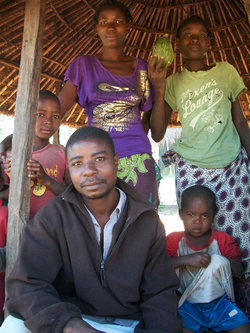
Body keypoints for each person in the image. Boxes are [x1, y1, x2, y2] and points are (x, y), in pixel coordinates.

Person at [0, 126, 182, 333]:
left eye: (99, 159)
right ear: (68, 169)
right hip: (70, 319)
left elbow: (159, 293)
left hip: (127, 324)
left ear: (115, 161)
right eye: (78, 163)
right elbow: (26, 284)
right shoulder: (53, 216)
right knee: (13, 327)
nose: (89, 170)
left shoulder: (146, 219)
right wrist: (70, 325)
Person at [148, 15, 250, 316]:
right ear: (178, 44)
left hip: (231, 166)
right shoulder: (174, 82)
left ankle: (238, 310)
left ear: (209, 41)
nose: (194, 39)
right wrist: (158, 85)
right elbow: (156, 132)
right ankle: (201, 307)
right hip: (191, 166)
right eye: (187, 35)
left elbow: (240, 121)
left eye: (201, 34)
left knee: (239, 242)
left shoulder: (226, 72)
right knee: (199, 236)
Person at [57, 0, 162, 207]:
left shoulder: (141, 68)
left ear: (127, 27)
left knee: (142, 222)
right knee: (98, 227)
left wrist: (160, 87)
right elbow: (56, 112)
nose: (111, 27)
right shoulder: (83, 65)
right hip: (95, 160)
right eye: (104, 22)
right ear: (97, 28)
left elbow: (151, 122)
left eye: (118, 21)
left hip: (137, 158)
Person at [166, 185, 250, 333]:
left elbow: (238, 271)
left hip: (220, 304)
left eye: (204, 215)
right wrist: (187, 259)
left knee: (244, 328)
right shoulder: (173, 240)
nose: (197, 221)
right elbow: (160, 266)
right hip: (188, 304)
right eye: (191, 214)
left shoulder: (223, 240)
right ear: (181, 214)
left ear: (214, 214)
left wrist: (217, 260)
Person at [2, 89, 71, 220]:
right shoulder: (9, 155)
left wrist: (46, 180)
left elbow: (71, 195)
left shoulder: (62, 153)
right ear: (27, 115)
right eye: (40, 114)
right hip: (17, 228)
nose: (48, 121)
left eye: (55, 116)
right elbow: (3, 197)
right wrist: (17, 180)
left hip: (53, 227)